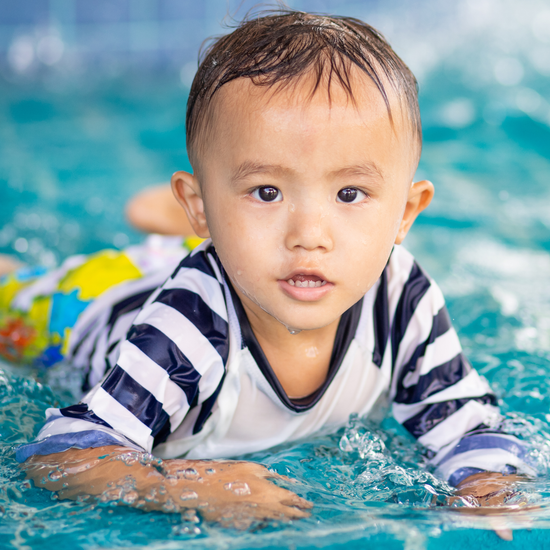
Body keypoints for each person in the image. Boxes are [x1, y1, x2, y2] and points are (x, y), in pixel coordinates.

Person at [1, 10, 532, 524]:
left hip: (220, 260)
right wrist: (177, 485)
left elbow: (465, 425)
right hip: (94, 308)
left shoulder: (402, 297)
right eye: (267, 191)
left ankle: (193, 221)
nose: (309, 236)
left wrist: (485, 484)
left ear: (405, 213)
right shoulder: (188, 330)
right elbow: (63, 455)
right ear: (201, 204)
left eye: (349, 193)